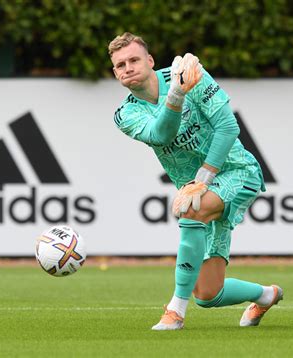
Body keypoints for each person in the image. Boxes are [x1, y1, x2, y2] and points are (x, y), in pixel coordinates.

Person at [108, 32, 283, 330]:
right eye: (120, 65)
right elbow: (160, 135)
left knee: (190, 210)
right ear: (116, 74)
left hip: (238, 172)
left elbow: (228, 127)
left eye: (134, 59)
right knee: (208, 294)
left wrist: (204, 177)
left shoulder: (192, 75)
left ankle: (174, 312)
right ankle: (267, 295)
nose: (128, 67)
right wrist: (176, 95)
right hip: (196, 188)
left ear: (150, 61)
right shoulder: (126, 113)